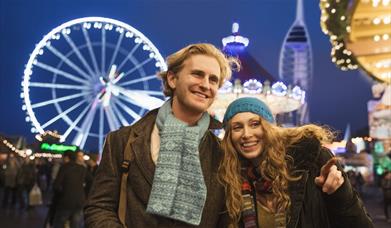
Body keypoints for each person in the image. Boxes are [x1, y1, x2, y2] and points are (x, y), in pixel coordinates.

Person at [84, 43, 239, 227]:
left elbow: (227, 218)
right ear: (172, 79)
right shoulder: (122, 141)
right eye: (197, 74)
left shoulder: (222, 153)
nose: (205, 85)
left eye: (213, 80)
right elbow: (99, 207)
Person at [219, 97, 373, 228]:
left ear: (269, 128)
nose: (247, 134)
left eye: (255, 124)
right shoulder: (231, 180)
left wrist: (339, 193)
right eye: (237, 127)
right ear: (230, 136)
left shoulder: (311, 161)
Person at [52, 151, 89, 228]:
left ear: (66, 157)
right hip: (80, 201)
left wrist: (61, 193)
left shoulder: (64, 167)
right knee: (76, 225)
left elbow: (56, 185)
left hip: (66, 201)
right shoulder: (82, 168)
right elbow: (90, 180)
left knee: (59, 223)